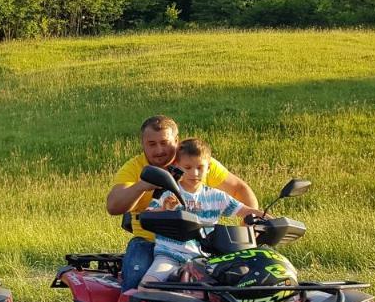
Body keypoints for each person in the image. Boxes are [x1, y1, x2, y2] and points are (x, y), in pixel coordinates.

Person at [106, 115, 258, 291]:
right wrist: (142, 185)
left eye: (164, 142)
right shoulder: (135, 168)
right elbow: (113, 206)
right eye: (152, 144)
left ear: (176, 141)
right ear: (142, 143)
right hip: (150, 241)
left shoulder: (195, 162)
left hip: (200, 245)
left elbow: (239, 188)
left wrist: (250, 226)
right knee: (136, 283)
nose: (159, 150)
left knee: (241, 280)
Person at [139, 138, 261, 284]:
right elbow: (147, 216)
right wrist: (164, 209)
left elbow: (246, 211)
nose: (195, 173)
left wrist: (268, 219)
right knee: (146, 286)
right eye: (188, 167)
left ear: (208, 168)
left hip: (204, 260)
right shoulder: (168, 192)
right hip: (169, 256)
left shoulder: (217, 196)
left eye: (200, 167)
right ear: (177, 166)